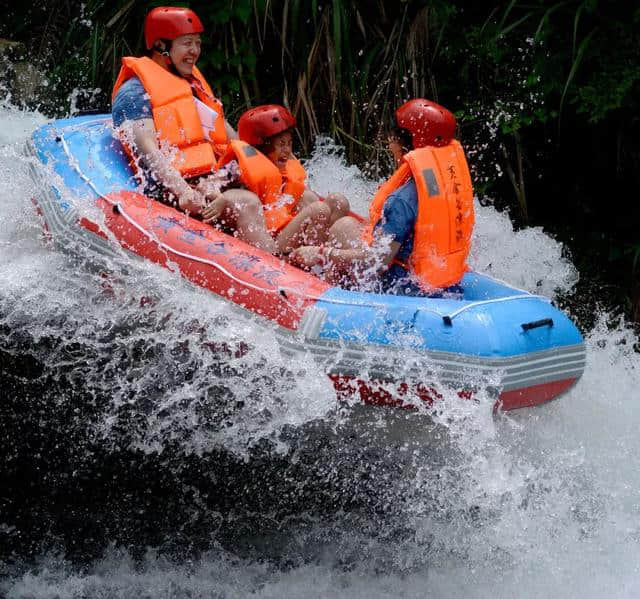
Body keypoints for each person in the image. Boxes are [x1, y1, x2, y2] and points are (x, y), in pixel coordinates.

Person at [111, 6, 277, 253]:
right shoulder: (135, 94)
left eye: (198, 43)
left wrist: (271, 173)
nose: (195, 51)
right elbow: (147, 150)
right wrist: (183, 191)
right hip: (173, 195)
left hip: (209, 181)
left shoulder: (191, 85)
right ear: (160, 46)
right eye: (187, 43)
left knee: (301, 199)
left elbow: (232, 141)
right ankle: (278, 280)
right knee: (247, 202)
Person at [290, 99, 475, 295]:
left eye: (392, 138)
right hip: (441, 278)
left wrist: (321, 253)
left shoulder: (402, 200)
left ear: (405, 143)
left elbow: (377, 261)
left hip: (407, 286)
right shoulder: (451, 184)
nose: (389, 144)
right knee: (347, 226)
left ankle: (323, 296)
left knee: (340, 232)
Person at [211, 104, 349, 254]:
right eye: (281, 144)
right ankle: (313, 262)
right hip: (271, 240)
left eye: (289, 143)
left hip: (287, 226)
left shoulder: (284, 165)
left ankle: (328, 253)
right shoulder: (237, 168)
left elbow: (300, 196)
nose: (288, 150)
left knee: (338, 201)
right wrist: (219, 198)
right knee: (319, 209)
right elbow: (210, 186)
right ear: (262, 146)